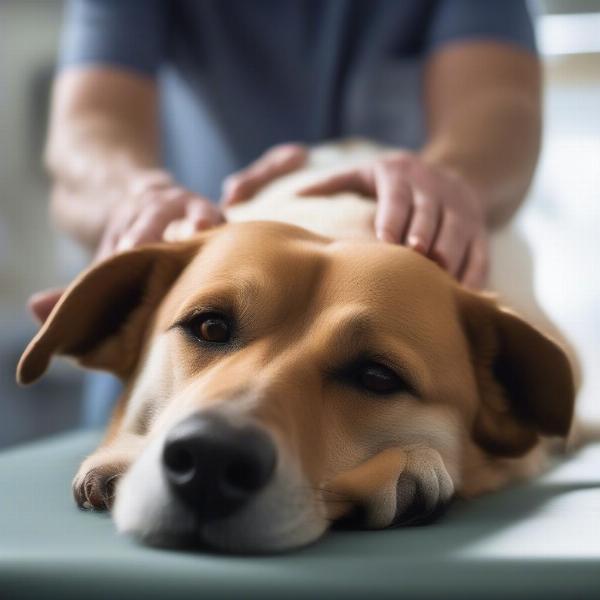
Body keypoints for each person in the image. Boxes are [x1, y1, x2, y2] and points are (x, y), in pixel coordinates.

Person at [32, 0, 541, 423]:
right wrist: (133, 198)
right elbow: (87, 135)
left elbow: (500, 116)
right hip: (176, 357)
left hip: (399, 359)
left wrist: (450, 183)